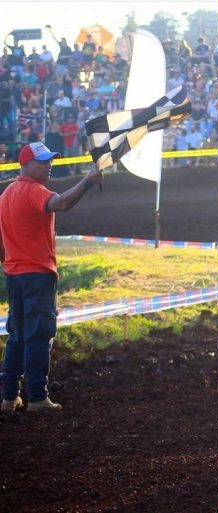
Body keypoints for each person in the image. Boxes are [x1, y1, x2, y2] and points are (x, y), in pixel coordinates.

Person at [0, 142, 104, 414]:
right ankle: (37, 397)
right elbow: (62, 203)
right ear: (25, 165)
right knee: (39, 335)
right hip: (37, 275)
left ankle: (9, 397)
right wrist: (87, 181)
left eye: (51, 160)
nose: (49, 165)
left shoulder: (7, 193)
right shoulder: (34, 191)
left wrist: (8, 263)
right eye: (43, 161)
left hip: (15, 274)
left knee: (17, 336)